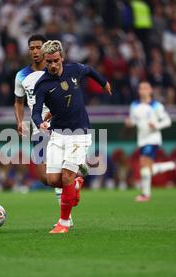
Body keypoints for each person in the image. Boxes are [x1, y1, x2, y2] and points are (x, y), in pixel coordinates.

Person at [32, 40, 112, 234]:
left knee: (66, 176)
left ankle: (64, 223)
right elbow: (35, 111)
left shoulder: (74, 70)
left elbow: (90, 70)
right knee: (52, 180)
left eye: (56, 61)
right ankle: (76, 183)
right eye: (49, 61)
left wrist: (104, 83)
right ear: (44, 60)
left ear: (62, 58)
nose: (52, 65)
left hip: (79, 133)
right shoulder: (42, 84)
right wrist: (39, 122)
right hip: (58, 134)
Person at [14, 35, 72, 223]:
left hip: (57, 125)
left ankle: (66, 218)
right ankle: (75, 180)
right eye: (32, 48)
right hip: (37, 128)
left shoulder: (56, 71)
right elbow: (18, 101)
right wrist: (19, 121)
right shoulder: (21, 76)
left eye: (38, 47)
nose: (35, 51)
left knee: (55, 172)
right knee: (44, 177)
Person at [124, 81, 176, 202]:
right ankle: (172, 165)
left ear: (150, 91)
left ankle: (145, 195)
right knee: (146, 169)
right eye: (141, 88)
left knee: (143, 163)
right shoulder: (134, 105)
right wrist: (130, 123)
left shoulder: (157, 106)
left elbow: (167, 121)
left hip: (153, 139)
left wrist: (156, 125)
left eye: (145, 88)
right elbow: (134, 120)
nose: (143, 90)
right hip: (141, 140)